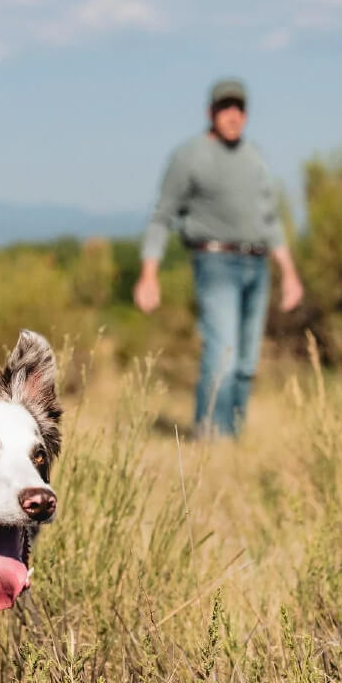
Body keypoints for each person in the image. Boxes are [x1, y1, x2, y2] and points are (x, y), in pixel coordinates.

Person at [133, 79, 304, 437]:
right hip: (215, 264)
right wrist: (149, 274)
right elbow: (163, 215)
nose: (233, 116)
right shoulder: (189, 156)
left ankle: (233, 436)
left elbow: (269, 219)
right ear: (211, 113)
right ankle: (212, 437)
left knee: (246, 363)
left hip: (257, 265)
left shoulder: (254, 156)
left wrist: (288, 272)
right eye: (225, 108)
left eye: (239, 108)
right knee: (222, 355)